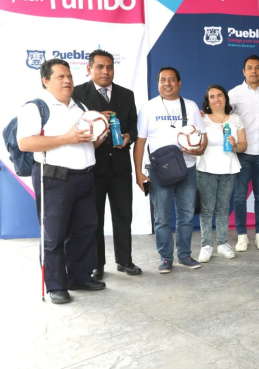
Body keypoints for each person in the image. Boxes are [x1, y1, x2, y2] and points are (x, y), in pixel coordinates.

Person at [17, 58, 107, 304]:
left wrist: (99, 136)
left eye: (69, 76)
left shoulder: (80, 106)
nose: (67, 81)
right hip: (54, 180)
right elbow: (25, 143)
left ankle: (79, 277)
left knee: (85, 231)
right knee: (54, 235)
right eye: (60, 77)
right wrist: (67, 138)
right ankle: (56, 285)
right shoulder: (36, 107)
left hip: (85, 177)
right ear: (46, 81)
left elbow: (85, 143)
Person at [72, 49, 141, 280]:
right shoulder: (77, 94)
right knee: (94, 218)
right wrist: (97, 119)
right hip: (92, 167)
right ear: (89, 69)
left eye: (109, 67)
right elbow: (74, 126)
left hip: (120, 167)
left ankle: (125, 260)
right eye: (100, 67)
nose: (105, 71)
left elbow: (133, 125)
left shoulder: (127, 94)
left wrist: (129, 136)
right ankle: (96, 265)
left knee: (123, 215)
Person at [133, 67, 207, 273]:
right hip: (159, 171)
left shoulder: (190, 106)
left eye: (171, 80)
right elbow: (140, 142)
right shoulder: (148, 108)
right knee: (162, 218)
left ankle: (184, 255)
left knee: (186, 215)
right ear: (158, 83)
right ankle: (166, 258)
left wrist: (200, 150)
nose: (167, 84)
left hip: (187, 169)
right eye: (163, 80)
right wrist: (138, 172)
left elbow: (203, 136)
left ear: (179, 83)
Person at [228, 55, 259, 252]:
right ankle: (242, 236)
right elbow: (221, 115)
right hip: (242, 152)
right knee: (240, 196)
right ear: (243, 71)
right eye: (249, 68)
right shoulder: (234, 94)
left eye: (257, 67)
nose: (253, 71)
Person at [197, 85, 247, 262]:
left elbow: (244, 145)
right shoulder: (201, 119)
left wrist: (234, 145)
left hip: (228, 168)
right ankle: (206, 245)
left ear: (225, 98)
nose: (216, 99)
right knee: (207, 208)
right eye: (212, 97)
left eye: (219, 95)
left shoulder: (235, 119)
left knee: (223, 208)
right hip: (206, 168)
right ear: (208, 101)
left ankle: (223, 243)